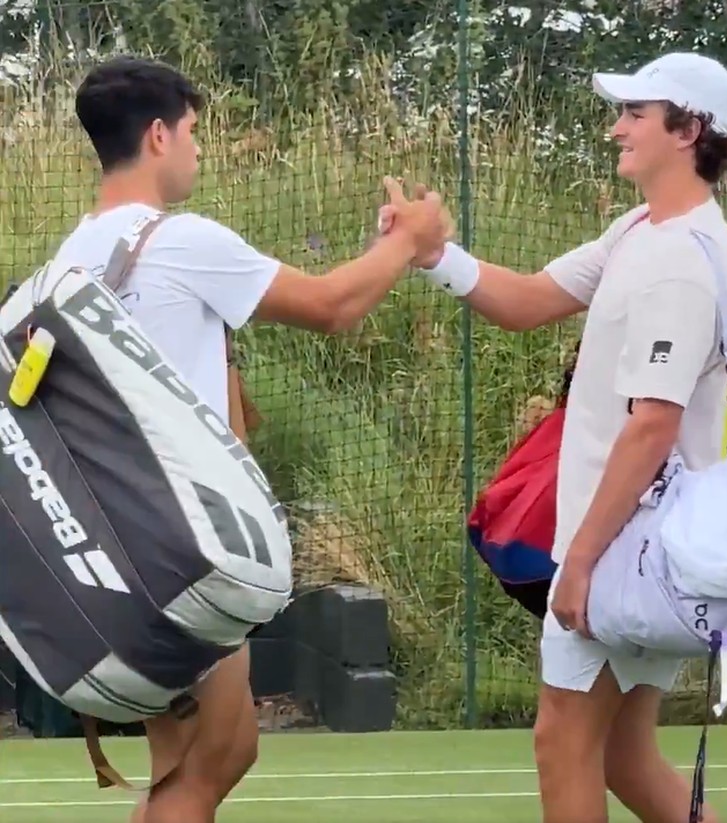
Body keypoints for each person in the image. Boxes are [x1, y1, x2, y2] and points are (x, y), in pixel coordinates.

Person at [59, 54, 450, 823]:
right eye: (196, 132)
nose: (200, 149)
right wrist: (411, 240)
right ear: (161, 135)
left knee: (197, 758)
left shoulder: (73, 253)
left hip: (112, 546)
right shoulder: (180, 240)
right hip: (181, 550)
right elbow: (334, 305)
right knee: (215, 758)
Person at [380, 51, 727, 823]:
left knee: (563, 741)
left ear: (690, 130)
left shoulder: (680, 258)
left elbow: (654, 422)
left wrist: (577, 562)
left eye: (635, 114)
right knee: (623, 753)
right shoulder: (644, 228)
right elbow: (532, 298)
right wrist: (432, 254)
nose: (617, 127)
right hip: (640, 545)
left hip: (625, 547)